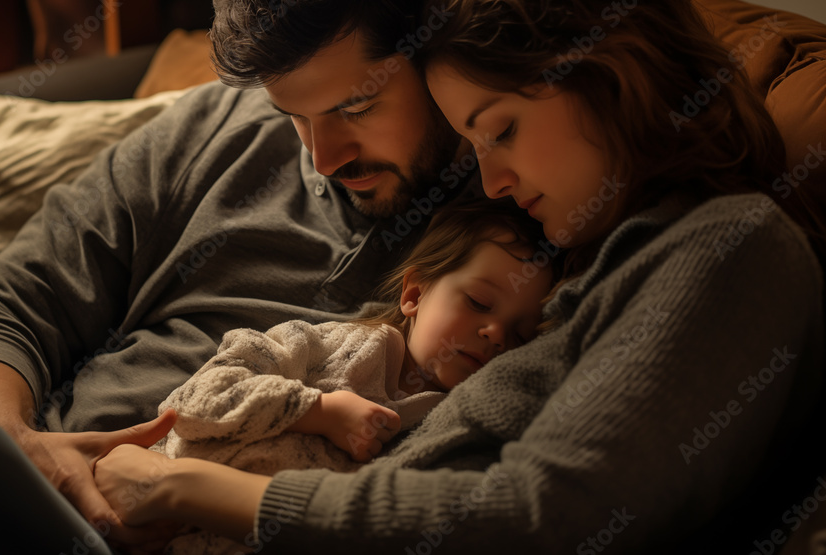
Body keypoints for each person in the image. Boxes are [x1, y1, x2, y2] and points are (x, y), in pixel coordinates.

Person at [91, 0, 825, 554]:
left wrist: (180, 489)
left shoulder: (736, 245)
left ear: (608, 74)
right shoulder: (589, 264)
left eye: (499, 130)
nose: (494, 181)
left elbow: (538, 517)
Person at [0, 0, 475, 554]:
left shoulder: (503, 243)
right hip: (7, 487)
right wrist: (16, 442)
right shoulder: (214, 125)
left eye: (356, 107)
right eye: (294, 115)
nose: (322, 156)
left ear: (441, 40)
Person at [144, 198, 554, 553]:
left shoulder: (450, 428)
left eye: (520, 333)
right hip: (139, 499)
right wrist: (317, 410)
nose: (496, 334)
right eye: (479, 302)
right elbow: (191, 403)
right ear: (414, 295)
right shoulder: (322, 346)